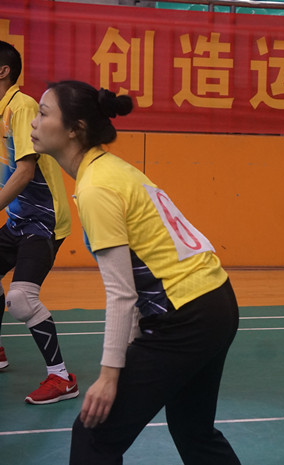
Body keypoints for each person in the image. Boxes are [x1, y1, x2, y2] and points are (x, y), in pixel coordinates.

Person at [30, 80, 241, 465]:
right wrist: (127, 353)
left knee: (94, 434)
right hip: (216, 301)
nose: (34, 121)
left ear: (75, 128)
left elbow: (122, 293)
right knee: (193, 430)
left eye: (43, 113)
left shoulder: (96, 187)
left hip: (186, 316)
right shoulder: (110, 170)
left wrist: (110, 376)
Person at [0, 41, 78, 404]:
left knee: (21, 298)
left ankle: (61, 378)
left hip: (43, 219)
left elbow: (25, 171)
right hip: (18, 218)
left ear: (3, 71)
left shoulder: (22, 106)